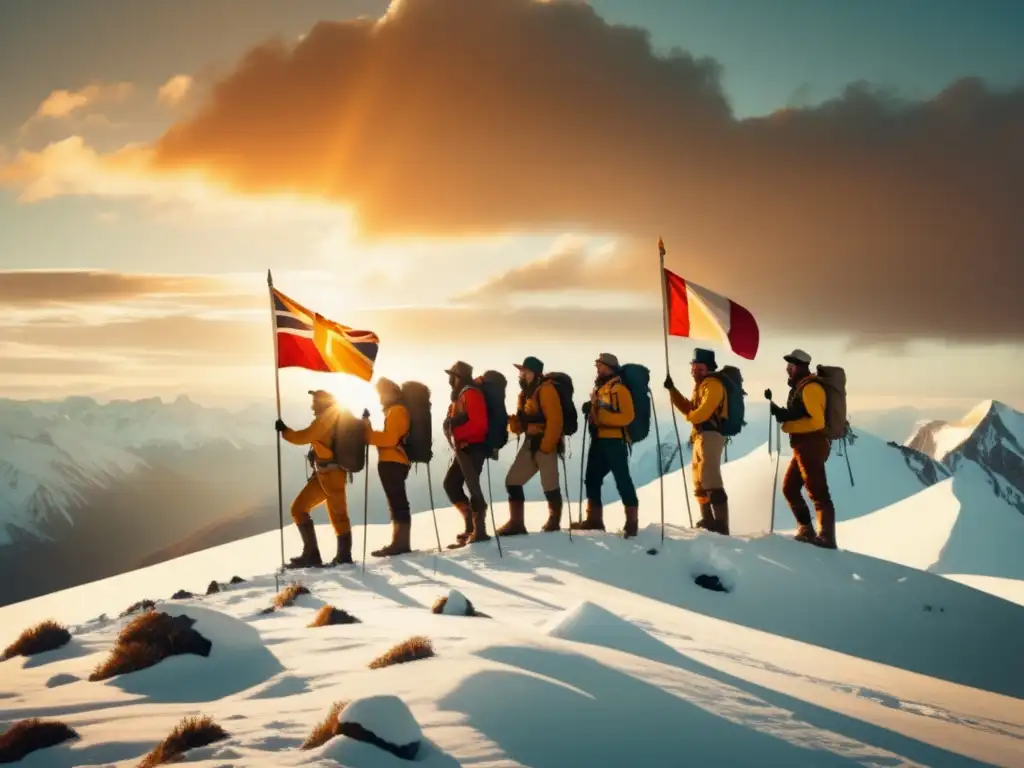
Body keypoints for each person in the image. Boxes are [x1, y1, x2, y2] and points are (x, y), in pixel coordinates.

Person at [768, 349, 837, 549]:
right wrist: (784, 415)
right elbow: (802, 413)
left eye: (790, 366)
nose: (787, 369)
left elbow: (816, 422)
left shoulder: (810, 388)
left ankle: (826, 537)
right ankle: (806, 530)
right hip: (803, 446)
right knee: (790, 488)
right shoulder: (802, 388)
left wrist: (788, 425)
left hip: (811, 445)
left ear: (800, 366)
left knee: (818, 491)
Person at [275, 389, 352, 568]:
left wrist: (285, 431)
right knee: (299, 508)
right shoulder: (330, 418)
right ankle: (312, 555)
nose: (312, 405)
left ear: (322, 402)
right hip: (324, 474)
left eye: (315, 401)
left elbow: (303, 437)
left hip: (332, 474)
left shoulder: (326, 420)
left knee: (338, 515)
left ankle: (343, 556)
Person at [665, 348, 730, 535]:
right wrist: (673, 390)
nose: (694, 370)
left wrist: (691, 417)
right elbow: (689, 408)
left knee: (711, 479)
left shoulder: (713, 385)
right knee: (699, 480)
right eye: (693, 367)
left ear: (707, 367)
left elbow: (702, 411)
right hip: (701, 436)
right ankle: (708, 520)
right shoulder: (702, 386)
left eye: (697, 367)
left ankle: (721, 524)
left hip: (711, 435)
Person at [573, 353, 639, 537]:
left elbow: (627, 416)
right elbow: (604, 408)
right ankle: (594, 521)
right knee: (592, 478)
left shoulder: (619, 389)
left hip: (614, 441)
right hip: (600, 440)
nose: (597, 369)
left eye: (600, 366)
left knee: (622, 479)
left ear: (609, 367)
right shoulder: (603, 389)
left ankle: (631, 524)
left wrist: (600, 417)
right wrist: (591, 407)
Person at [501, 356, 565, 535]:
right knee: (512, 481)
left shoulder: (546, 390)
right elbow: (522, 425)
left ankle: (554, 521)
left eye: (524, 371)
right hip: (531, 442)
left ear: (534, 373)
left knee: (549, 484)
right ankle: (517, 524)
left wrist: (546, 446)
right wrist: (513, 423)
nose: (521, 375)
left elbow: (555, 420)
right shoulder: (525, 394)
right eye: (521, 371)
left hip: (545, 443)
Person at [441, 361, 492, 548]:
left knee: (472, 487)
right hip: (464, 447)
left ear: (458, 377)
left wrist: (457, 433)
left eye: (451, 376)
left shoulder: (471, 393)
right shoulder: (461, 395)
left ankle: (479, 531)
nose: (449, 379)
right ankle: (472, 527)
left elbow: (480, 425)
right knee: (451, 484)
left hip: (473, 447)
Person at [364, 378, 412, 557]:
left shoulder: (397, 411)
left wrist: (368, 435)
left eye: (381, 393)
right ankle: (399, 542)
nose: (380, 398)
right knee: (396, 503)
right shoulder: (395, 411)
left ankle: (400, 544)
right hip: (392, 462)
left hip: (393, 462)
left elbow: (390, 439)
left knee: (398, 503)